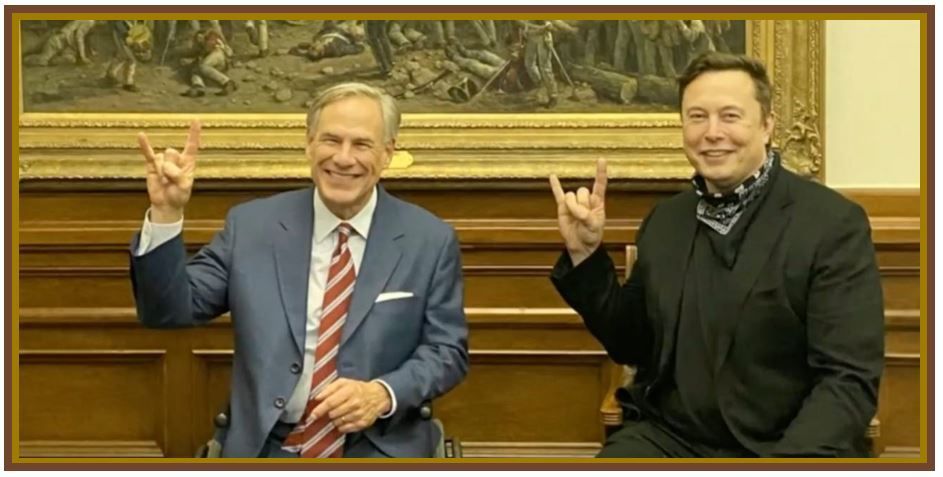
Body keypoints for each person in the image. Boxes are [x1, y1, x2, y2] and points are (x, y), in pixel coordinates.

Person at [548, 52, 884, 458]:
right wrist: (586, 255)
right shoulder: (666, 220)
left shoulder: (832, 225)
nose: (712, 133)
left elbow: (847, 381)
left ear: (767, 126)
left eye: (730, 116)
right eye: (697, 117)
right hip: (668, 440)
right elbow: (633, 345)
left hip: (782, 447)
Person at [130, 82, 469, 458]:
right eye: (331, 140)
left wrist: (382, 393)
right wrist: (166, 213)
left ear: (387, 153)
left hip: (377, 447)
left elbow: (447, 351)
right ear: (309, 144)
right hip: (267, 448)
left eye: (361, 144)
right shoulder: (253, 227)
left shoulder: (428, 239)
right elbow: (168, 311)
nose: (343, 158)